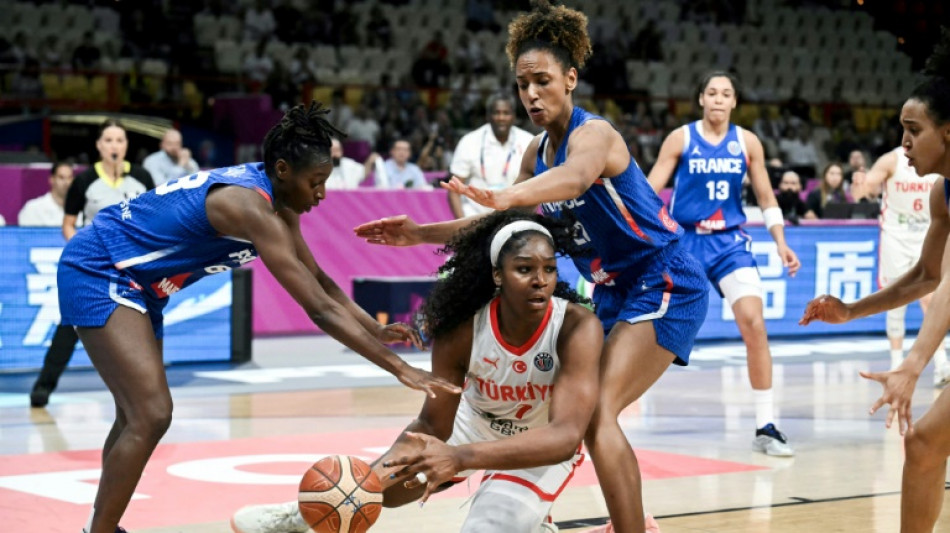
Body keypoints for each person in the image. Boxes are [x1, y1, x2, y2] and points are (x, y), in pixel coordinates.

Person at [353, 3, 707, 531]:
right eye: (523, 85)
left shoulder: (596, 136)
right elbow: (501, 227)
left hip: (665, 277)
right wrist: (421, 234)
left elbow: (574, 178)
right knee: (563, 411)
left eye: (542, 81)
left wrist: (504, 194)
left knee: (598, 414)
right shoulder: (535, 154)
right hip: (612, 289)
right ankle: (557, 516)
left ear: (570, 78)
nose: (531, 95)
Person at [59, 103, 459, 533]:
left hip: (141, 285)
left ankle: (101, 527)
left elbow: (320, 281)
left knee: (132, 415)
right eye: (317, 183)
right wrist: (400, 369)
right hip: (100, 269)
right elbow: (318, 309)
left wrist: (374, 326)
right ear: (284, 169)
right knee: (151, 414)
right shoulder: (247, 205)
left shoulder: (279, 196)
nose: (322, 194)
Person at [232, 211, 606, 533]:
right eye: (524, 269)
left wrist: (461, 459)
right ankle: (302, 515)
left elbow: (565, 435)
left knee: (486, 527)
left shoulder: (576, 326)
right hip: (473, 424)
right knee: (376, 492)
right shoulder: (461, 329)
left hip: (539, 443)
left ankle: (530, 519)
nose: (541, 280)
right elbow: (433, 424)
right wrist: (375, 477)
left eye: (549, 269)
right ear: (497, 275)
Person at [799, 28, 950, 533]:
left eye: (914, 129)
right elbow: (929, 274)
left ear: (948, 132)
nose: (903, 142)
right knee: (925, 443)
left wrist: (912, 363)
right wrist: (850, 311)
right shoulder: (942, 196)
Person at [647, 71, 802, 457]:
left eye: (726, 93)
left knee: (754, 322)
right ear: (701, 99)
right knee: (651, 330)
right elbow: (649, 193)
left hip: (729, 243)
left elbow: (766, 197)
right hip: (684, 240)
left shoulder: (747, 142)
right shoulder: (680, 138)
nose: (718, 99)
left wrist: (781, 242)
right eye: (712, 92)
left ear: (735, 102)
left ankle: (766, 427)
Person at [30, 119, 156, 408]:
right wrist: (85, 253)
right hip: (95, 269)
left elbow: (152, 218)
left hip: (132, 270)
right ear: (99, 146)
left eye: (120, 141)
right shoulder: (85, 181)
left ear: (127, 146)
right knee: (71, 326)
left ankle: (139, 396)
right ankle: (43, 387)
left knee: (140, 329)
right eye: (109, 140)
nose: (115, 146)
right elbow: (68, 225)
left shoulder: (142, 178)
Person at [849, 147, 950, 384]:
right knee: (896, 301)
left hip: (928, 232)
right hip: (896, 236)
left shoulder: (939, 159)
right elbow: (861, 193)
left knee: (931, 299)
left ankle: (941, 364)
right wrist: (859, 183)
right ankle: (895, 364)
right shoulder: (891, 160)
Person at [447, 92, 535, 219]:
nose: (501, 117)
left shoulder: (528, 141)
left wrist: (525, 218)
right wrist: (463, 229)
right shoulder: (469, 141)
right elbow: (454, 190)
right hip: (475, 217)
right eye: (496, 113)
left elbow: (537, 185)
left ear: (514, 116)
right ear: (488, 116)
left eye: (506, 113)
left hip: (514, 218)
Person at [18, 161, 75, 227]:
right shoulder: (33, 209)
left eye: (69, 178)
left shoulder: (80, 210)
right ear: (52, 179)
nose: (66, 183)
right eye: (61, 177)